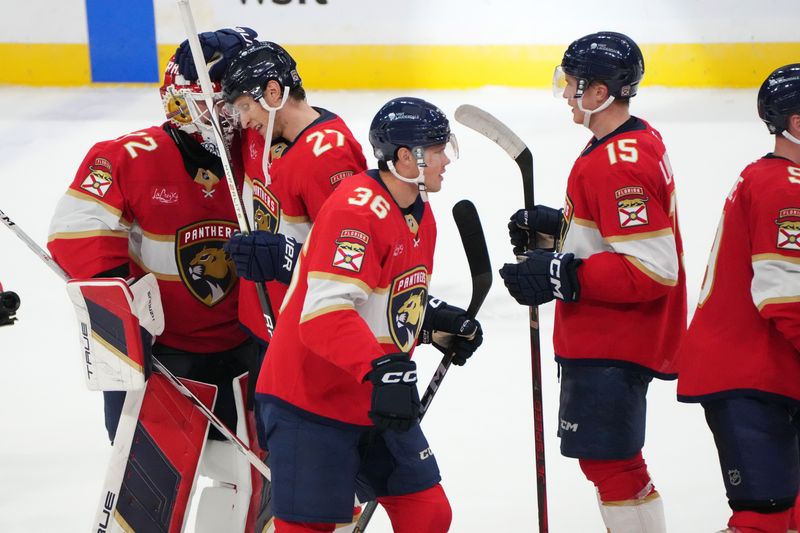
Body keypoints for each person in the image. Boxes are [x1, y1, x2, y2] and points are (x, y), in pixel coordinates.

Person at [47, 29, 272, 532]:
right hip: (162, 359)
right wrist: (125, 321)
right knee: (149, 497)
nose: (235, 116)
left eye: (239, 102)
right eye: (221, 103)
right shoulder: (129, 156)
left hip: (247, 353)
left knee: (252, 487)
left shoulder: (262, 156)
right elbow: (74, 233)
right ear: (183, 101)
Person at [251, 97, 483, 532]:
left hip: (375, 396)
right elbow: (325, 314)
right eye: (435, 150)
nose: (445, 159)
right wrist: (381, 368)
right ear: (403, 158)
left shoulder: (418, 210)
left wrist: (433, 323)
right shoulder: (355, 212)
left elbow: (384, 299)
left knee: (428, 514)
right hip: (311, 399)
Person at [498, 31, 686, 532]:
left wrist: (561, 273)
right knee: (613, 465)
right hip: (606, 337)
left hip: (612, 341)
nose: (565, 93)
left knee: (612, 465)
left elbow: (651, 268)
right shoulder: (624, 144)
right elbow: (608, 234)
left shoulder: (618, 164)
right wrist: (554, 230)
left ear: (599, 92)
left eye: (572, 83)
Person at [676, 64, 800, 533]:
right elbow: (785, 297)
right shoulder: (783, 188)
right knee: (763, 517)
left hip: (768, 372)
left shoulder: (774, 179)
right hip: (750, 376)